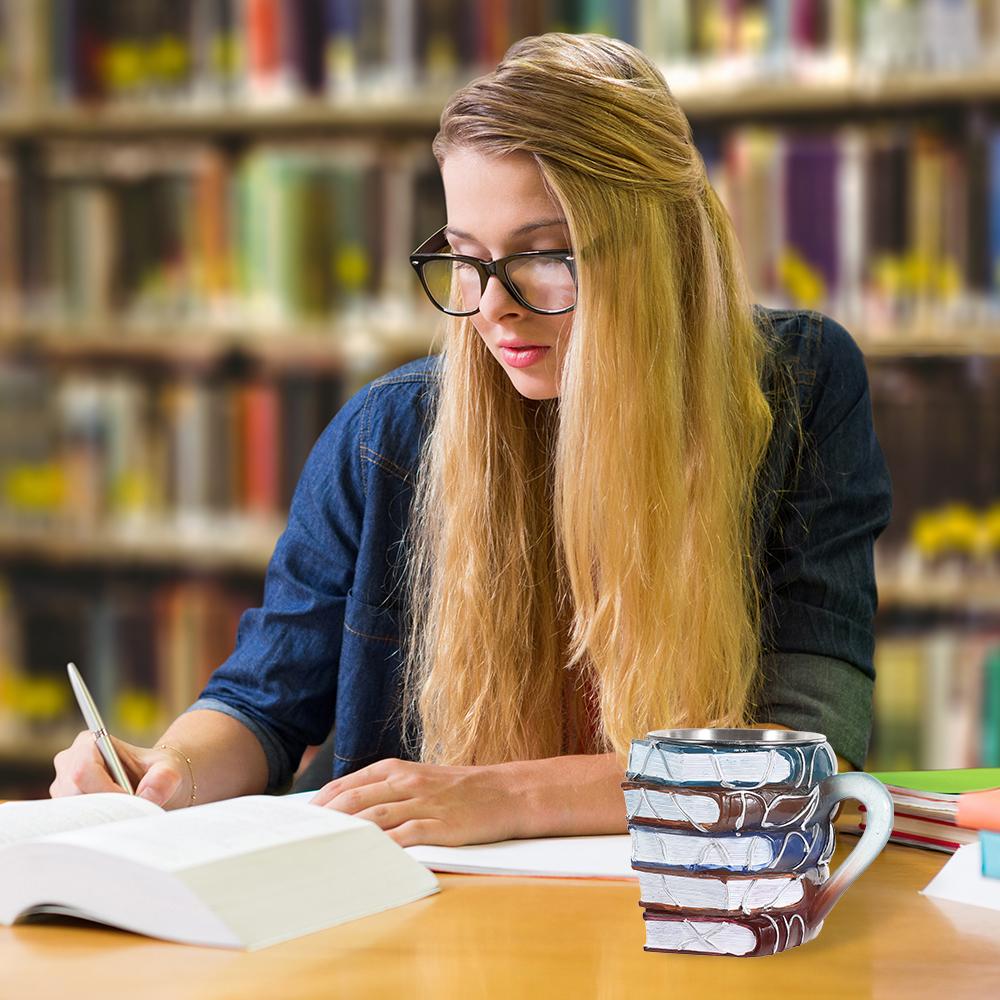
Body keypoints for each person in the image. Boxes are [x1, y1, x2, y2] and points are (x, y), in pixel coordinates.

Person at [51, 33, 891, 847]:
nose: (492, 307)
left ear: (661, 249)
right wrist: (171, 775)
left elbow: (808, 758)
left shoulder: (798, 386)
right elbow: (263, 705)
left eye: (544, 256)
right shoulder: (389, 433)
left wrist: (503, 796)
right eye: (464, 258)